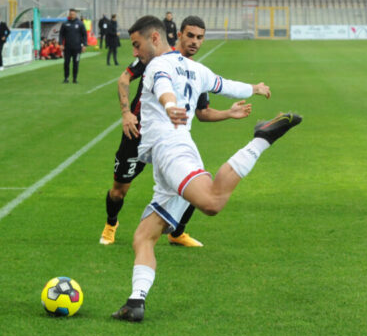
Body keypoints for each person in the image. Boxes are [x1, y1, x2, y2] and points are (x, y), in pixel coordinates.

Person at [110, 15, 301, 322]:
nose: (135, 52)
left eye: (137, 44)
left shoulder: (158, 65)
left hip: (171, 150)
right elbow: (225, 85)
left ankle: (261, 139)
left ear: (155, 38)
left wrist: (171, 106)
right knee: (143, 236)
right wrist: (255, 87)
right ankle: (136, 302)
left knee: (211, 202)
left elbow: (163, 88)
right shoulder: (197, 69)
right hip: (168, 159)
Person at [100, 15, 254, 248]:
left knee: (194, 180)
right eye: (190, 36)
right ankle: (111, 224)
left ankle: (177, 233)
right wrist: (126, 114)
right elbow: (124, 80)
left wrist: (228, 113)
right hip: (137, 134)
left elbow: (203, 113)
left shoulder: (193, 72)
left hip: (170, 139)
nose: (194, 42)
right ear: (179, 35)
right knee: (119, 190)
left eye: (199, 37)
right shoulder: (155, 57)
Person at [59, 9, 87, 84]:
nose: (72, 15)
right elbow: (61, 34)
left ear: (75, 14)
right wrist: (61, 44)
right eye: (71, 14)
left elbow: (84, 35)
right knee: (66, 63)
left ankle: (75, 78)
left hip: (77, 48)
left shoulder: (80, 24)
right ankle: (66, 78)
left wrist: (84, 45)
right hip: (67, 48)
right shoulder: (65, 24)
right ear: (69, 14)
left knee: (76, 63)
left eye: (73, 14)